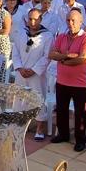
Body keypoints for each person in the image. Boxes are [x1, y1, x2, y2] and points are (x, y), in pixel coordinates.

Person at [50, 9, 86, 152]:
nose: (70, 23)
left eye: (73, 20)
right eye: (68, 20)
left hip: (79, 83)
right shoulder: (61, 36)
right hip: (62, 81)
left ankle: (80, 139)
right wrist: (68, 56)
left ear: (81, 22)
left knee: (80, 113)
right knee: (61, 110)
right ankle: (63, 134)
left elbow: (83, 58)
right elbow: (51, 54)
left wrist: (62, 59)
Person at [12, 8, 53, 140]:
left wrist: (34, 70)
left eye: (36, 19)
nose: (33, 21)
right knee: (19, 98)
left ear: (41, 19)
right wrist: (19, 67)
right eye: (30, 19)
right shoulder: (21, 32)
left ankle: (40, 127)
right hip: (21, 72)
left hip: (36, 74)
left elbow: (47, 57)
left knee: (37, 98)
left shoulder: (47, 35)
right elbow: (16, 51)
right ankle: (19, 123)